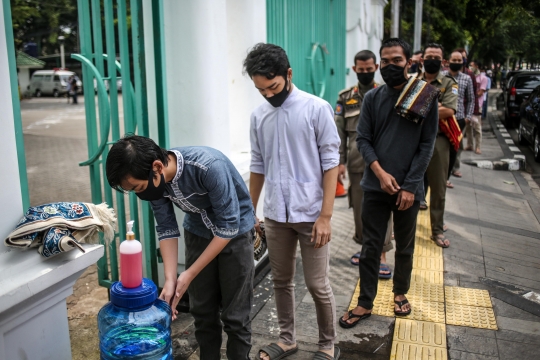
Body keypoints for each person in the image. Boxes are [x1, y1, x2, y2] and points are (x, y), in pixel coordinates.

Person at [105, 135, 255, 360]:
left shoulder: (208, 167)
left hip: (235, 235)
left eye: (138, 187)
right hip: (197, 232)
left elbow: (227, 226)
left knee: (235, 317)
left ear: (156, 166)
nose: (139, 194)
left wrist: (189, 273)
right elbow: (166, 228)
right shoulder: (156, 182)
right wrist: (170, 279)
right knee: (202, 313)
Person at [244, 43, 341, 360]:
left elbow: (331, 164)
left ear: (288, 74)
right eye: (261, 90)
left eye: (272, 86)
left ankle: (328, 344)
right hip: (275, 216)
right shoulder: (259, 117)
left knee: (317, 284)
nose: (269, 95)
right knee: (281, 281)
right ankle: (288, 339)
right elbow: (257, 166)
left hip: (312, 215)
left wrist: (325, 216)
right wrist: (249, 211)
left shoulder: (316, 108)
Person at [340, 38, 439, 327]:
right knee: (371, 246)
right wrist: (380, 174)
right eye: (385, 61)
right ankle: (364, 302)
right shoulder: (371, 98)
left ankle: (399, 293)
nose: (389, 66)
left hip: (409, 189)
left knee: (405, 247)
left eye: (396, 60)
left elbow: (427, 145)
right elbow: (363, 140)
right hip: (374, 186)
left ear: (409, 62)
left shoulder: (425, 96)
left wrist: (410, 186)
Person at [334, 49, 393, 278]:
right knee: (359, 210)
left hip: (383, 165)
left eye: (370, 69)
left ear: (376, 68)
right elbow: (339, 133)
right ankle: (365, 247)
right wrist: (340, 162)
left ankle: (382, 255)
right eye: (362, 70)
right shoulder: (345, 97)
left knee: (382, 210)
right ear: (354, 69)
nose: (366, 73)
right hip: (357, 164)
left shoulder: (386, 94)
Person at [419, 43, 458, 248]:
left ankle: (437, 231)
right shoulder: (412, 80)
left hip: (438, 140)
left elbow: (449, 110)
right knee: (404, 183)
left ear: (442, 61)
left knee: (438, 188)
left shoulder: (448, 83)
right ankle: (396, 229)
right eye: (428, 56)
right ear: (422, 59)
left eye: (436, 57)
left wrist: (419, 106)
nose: (432, 59)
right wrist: (435, 106)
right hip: (412, 139)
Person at [445, 50, 475, 183]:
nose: (457, 62)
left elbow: (471, 99)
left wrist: (468, 117)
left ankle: (446, 178)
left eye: (459, 60)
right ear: (448, 61)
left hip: (459, 119)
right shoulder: (442, 77)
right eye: (454, 60)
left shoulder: (466, 78)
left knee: (454, 149)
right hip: (443, 118)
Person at [467, 61, 488, 154]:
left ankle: (478, 147)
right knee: (468, 126)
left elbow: (481, 92)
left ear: (476, 66)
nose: (470, 67)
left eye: (471, 66)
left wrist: (471, 96)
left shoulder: (483, 78)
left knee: (477, 126)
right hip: (467, 105)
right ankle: (469, 145)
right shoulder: (469, 76)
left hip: (477, 105)